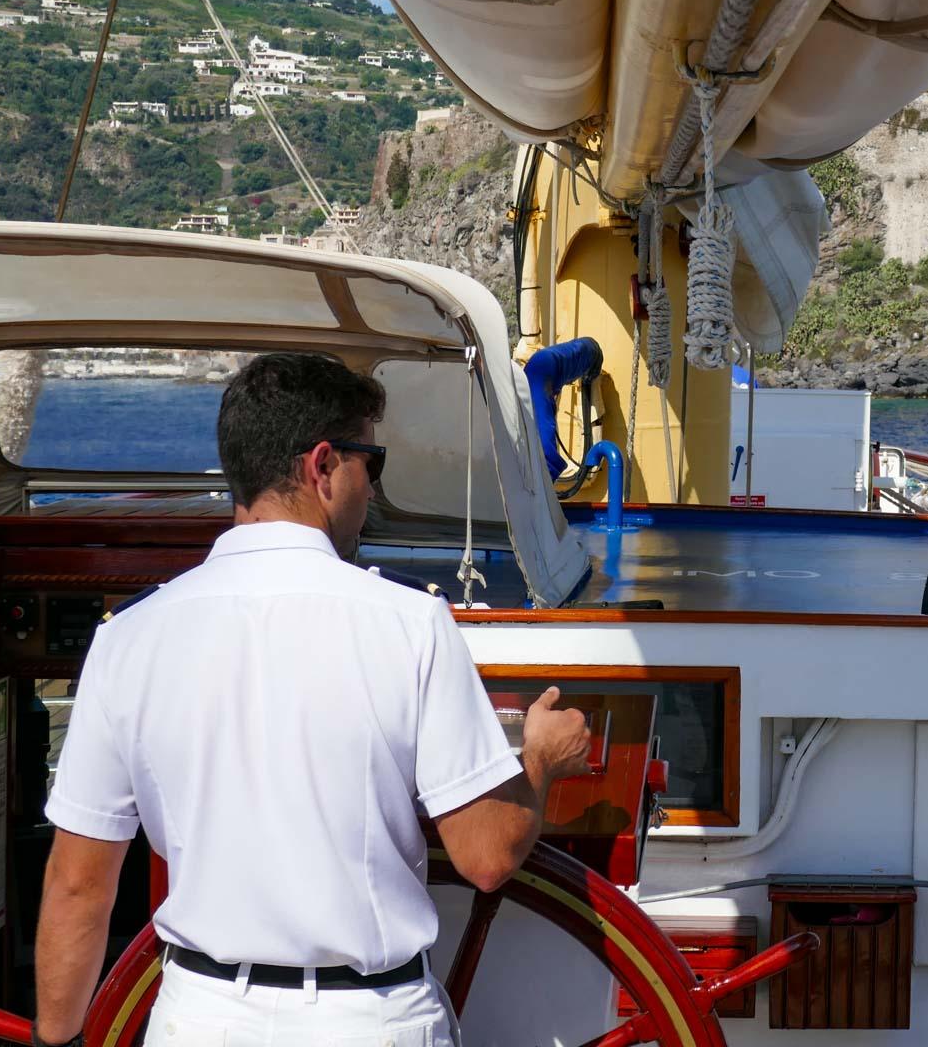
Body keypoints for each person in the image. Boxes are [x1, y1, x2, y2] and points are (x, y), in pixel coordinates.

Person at [32, 352, 596, 1047]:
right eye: (372, 464)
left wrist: (53, 1039)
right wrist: (540, 757)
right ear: (324, 467)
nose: (371, 491)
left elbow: (78, 884)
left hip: (199, 1019)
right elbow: (485, 855)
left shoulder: (130, 638)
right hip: (367, 1022)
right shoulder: (409, 624)